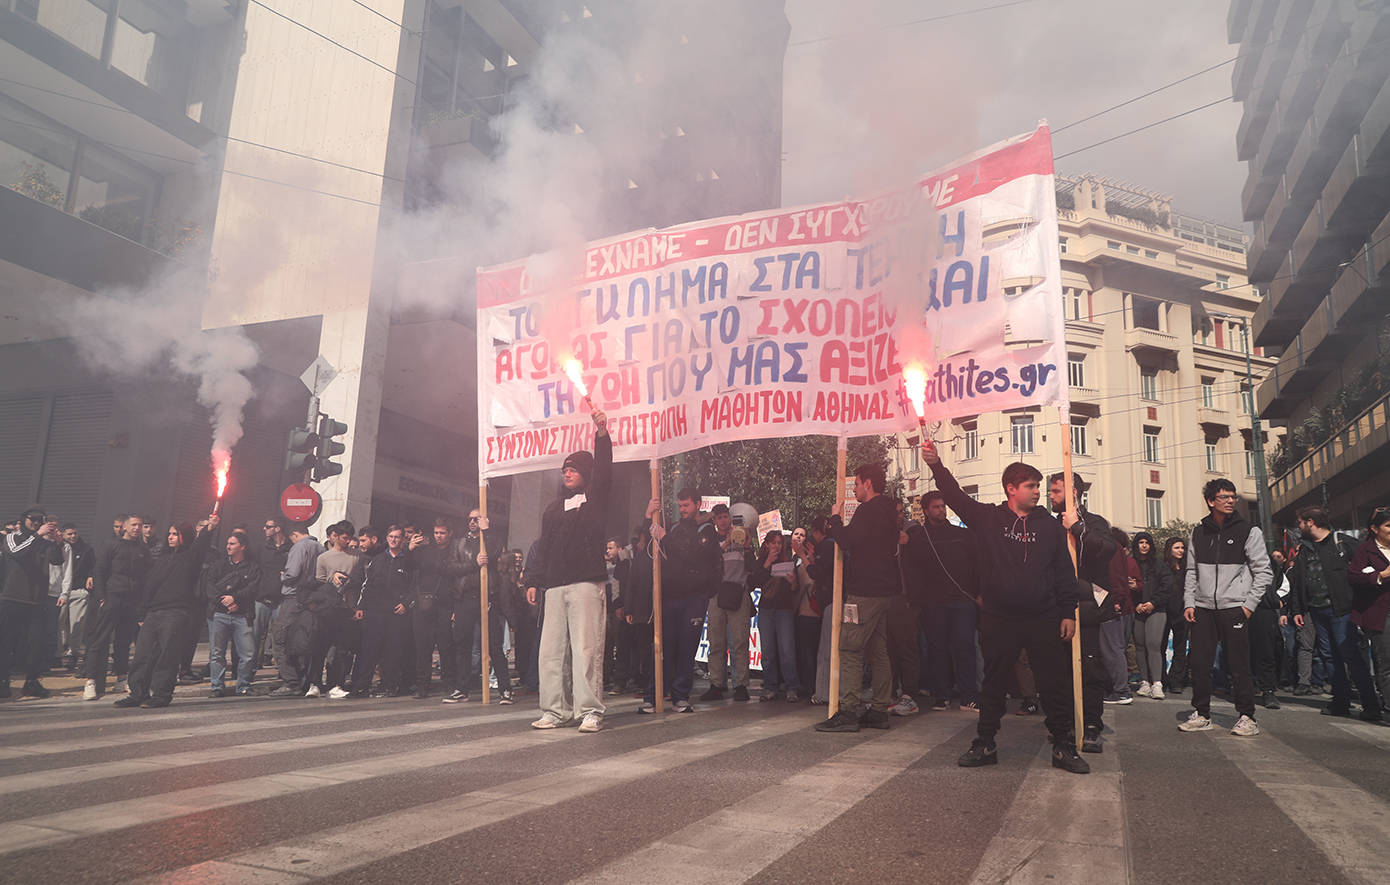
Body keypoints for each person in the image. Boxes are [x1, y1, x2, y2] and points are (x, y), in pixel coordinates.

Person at [924, 445, 1088, 774]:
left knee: (1053, 685)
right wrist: (936, 465)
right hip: (999, 617)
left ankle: (1062, 745)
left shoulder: (1050, 526)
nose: (1038, 491)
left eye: (1039, 486)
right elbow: (954, 496)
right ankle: (985, 743)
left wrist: (1068, 611)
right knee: (993, 684)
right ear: (1011, 489)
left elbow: (1063, 572)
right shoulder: (988, 518)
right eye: (1031, 485)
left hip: (1043, 617)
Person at [525, 408, 612, 732]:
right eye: (565, 470)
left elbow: (605, 470)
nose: (567, 474)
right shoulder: (553, 508)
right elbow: (544, 547)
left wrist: (601, 434)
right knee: (550, 653)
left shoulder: (595, 498)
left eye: (574, 469)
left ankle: (590, 712)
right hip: (555, 588)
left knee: (587, 651)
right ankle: (554, 711)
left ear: (587, 474)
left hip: (586, 585)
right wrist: (534, 580)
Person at [1179, 479, 1272, 736]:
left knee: (1239, 664)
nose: (1231, 501)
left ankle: (1247, 717)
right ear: (1211, 501)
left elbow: (1264, 572)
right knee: (1200, 664)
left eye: (1233, 497)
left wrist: (1248, 606)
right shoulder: (1198, 533)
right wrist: (1190, 602)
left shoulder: (1249, 531)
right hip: (1203, 608)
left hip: (1235, 608)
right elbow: (1191, 571)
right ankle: (1201, 714)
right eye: (1224, 497)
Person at [814, 463, 900, 733]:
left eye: (857, 484)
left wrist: (835, 520)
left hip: (864, 591)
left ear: (868, 484)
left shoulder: (869, 509)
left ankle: (849, 711)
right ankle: (878, 711)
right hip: (884, 591)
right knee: (877, 649)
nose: (854, 489)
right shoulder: (890, 511)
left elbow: (848, 540)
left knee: (849, 647)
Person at [1287, 505, 1381, 722]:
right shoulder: (1305, 548)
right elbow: (1298, 581)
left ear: (1310, 522)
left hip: (1342, 610)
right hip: (1317, 611)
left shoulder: (1342, 542)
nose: (1298, 527)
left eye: (1300, 522)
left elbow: (1368, 565)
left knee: (1350, 654)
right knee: (1329, 656)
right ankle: (1340, 701)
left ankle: (1371, 704)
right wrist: (1298, 609)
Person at [116, 514, 219, 708]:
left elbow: (201, 545)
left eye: (175, 534)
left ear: (185, 536)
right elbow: (149, 587)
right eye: (170, 533)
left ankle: (161, 695)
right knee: (142, 655)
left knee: (167, 656)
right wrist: (142, 612)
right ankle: (138, 694)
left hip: (176, 612)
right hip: (153, 612)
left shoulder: (191, 557)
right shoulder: (162, 559)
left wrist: (210, 528)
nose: (170, 537)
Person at [905, 491, 981, 712]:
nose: (941, 510)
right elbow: (913, 568)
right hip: (933, 601)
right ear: (926, 511)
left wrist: (978, 592)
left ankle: (969, 696)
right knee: (937, 648)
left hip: (962, 599)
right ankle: (942, 695)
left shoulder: (963, 535)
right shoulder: (918, 537)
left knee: (964, 647)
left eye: (942, 506)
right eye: (936, 507)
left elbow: (976, 564)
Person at [646, 490, 720, 713]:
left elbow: (692, 554)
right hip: (670, 596)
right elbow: (653, 546)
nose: (683, 510)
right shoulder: (675, 528)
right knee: (662, 647)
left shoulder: (707, 530)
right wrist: (649, 516)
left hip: (694, 597)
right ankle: (654, 694)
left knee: (687, 648)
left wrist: (665, 537)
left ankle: (680, 695)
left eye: (686, 505)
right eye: (680, 505)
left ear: (698, 504)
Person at [446, 509, 513, 704]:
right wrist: (474, 564)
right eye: (470, 518)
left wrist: (487, 531)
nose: (472, 521)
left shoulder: (491, 539)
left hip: (487, 598)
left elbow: (495, 554)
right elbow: (451, 568)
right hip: (465, 599)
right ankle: (462, 689)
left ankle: (505, 690)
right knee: (463, 646)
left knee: (494, 645)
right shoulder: (459, 543)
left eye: (477, 518)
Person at [346, 525, 420, 697]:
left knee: (394, 651)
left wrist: (406, 603)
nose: (393, 540)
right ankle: (362, 687)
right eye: (391, 536)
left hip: (396, 612)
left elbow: (414, 585)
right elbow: (369, 584)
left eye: (397, 537)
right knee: (369, 650)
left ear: (403, 539)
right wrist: (362, 606)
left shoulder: (408, 560)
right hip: (375, 611)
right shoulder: (378, 559)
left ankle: (391, 686)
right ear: (387, 538)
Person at [0, 508, 66, 698]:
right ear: (24, 519)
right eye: (33, 519)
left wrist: (58, 543)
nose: (36, 522)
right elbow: (17, 552)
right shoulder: (13, 537)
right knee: (6, 641)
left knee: (36, 642)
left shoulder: (44, 542)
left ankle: (31, 681)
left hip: (36, 600)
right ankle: (3, 681)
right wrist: (37, 536)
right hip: (13, 597)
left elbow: (56, 560)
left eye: (40, 519)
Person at [85, 515, 150, 698]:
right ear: (125, 526)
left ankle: (121, 679)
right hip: (112, 598)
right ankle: (90, 681)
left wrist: (142, 603)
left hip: (132, 602)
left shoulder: (143, 549)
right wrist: (102, 598)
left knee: (124, 643)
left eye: (140, 525)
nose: (137, 528)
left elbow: (146, 577)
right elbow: (99, 572)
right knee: (99, 641)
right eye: (134, 524)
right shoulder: (111, 545)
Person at [701, 502, 754, 702]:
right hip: (716, 595)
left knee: (739, 642)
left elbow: (753, 566)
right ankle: (716, 684)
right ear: (714, 521)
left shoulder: (742, 537)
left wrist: (746, 545)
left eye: (726, 517)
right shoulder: (711, 541)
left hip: (738, 594)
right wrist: (725, 543)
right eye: (719, 518)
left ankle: (741, 685)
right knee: (716, 642)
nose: (723, 521)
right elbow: (710, 563)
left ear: (731, 519)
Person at [268, 525, 325, 697]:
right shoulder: (320, 547)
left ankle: (291, 681)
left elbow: (292, 574)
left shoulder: (299, 546)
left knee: (280, 639)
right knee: (300, 639)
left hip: (293, 597)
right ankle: (300, 679)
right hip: (310, 598)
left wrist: (282, 576)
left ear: (294, 534)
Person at [204, 528, 263, 697]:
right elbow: (210, 587)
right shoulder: (219, 564)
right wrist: (226, 601)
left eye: (232, 543)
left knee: (248, 653)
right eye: (227, 543)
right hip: (219, 614)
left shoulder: (252, 567)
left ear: (242, 546)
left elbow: (252, 589)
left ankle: (243, 685)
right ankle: (217, 687)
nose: (228, 546)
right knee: (217, 653)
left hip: (243, 615)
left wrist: (234, 598)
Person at [1348, 506, 1390, 716]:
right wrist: (1382, 575)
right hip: (1381, 613)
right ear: (1375, 528)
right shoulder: (1365, 550)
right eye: (1388, 525)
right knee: (1386, 661)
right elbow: (1353, 578)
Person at [750, 530, 800, 702]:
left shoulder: (789, 562)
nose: (776, 546)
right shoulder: (761, 562)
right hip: (766, 610)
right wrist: (768, 563)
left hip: (784, 610)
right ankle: (770, 687)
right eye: (773, 543)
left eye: (779, 543)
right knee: (768, 651)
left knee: (787, 651)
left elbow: (795, 591)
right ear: (767, 545)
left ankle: (792, 687)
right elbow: (755, 582)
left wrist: (793, 582)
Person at [885, 499, 922, 715]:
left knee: (907, 647)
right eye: (894, 512)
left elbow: (924, 557)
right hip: (886, 598)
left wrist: (910, 542)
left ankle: (910, 695)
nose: (898, 515)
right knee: (888, 649)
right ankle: (890, 693)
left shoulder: (913, 531)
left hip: (905, 598)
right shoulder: (883, 532)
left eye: (900, 511)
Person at [1129, 531, 1173, 699]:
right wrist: (1136, 604)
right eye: (1141, 542)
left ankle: (1157, 683)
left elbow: (1166, 586)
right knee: (1139, 645)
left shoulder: (1159, 564)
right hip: (1138, 609)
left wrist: (1153, 602)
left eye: (1147, 542)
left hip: (1157, 609)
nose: (1144, 545)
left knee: (1153, 644)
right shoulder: (1131, 563)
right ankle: (1145, 681)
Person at [1250, 542, 1286, 710]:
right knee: (1240, 651)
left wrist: (1276, 600)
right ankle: (1245, 687)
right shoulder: (1236, 557)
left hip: (1264, 610)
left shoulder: (1269, 562)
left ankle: (1268, 690)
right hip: (1239, 608)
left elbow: (1283, 584)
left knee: (1266, 651)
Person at [790, 526, 821, 706]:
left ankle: (809, 685)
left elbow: (808, 582)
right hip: (804, 612)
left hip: (809, 612)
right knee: (806, 650)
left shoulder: (807, 563)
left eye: (802, 535)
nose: (799, 537)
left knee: (808, 651)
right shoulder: (795, 560)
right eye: (796, 534)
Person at [58, 523, 95, 672]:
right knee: (59, 625)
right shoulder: (58, 548)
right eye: (69, 534)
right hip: (60, 591)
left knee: (77, 625)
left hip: (78, 590)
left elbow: (93, 566)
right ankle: (58, 653)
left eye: (75, 533)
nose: (73, 536)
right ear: (63, 535)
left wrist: (90, 577)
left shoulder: (87, 550)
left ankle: (74, 654)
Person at [1161, 537, 1190, 695]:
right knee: (1161, 645)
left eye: (1182, 548)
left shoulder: (1187, 567)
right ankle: (1161, 679)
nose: (1181, 551)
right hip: (1165, 609)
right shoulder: (1162, 566)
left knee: (1180, 646)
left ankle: (1176, 681)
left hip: (1182, 610)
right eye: (1177, 548)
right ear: (1169, 549)